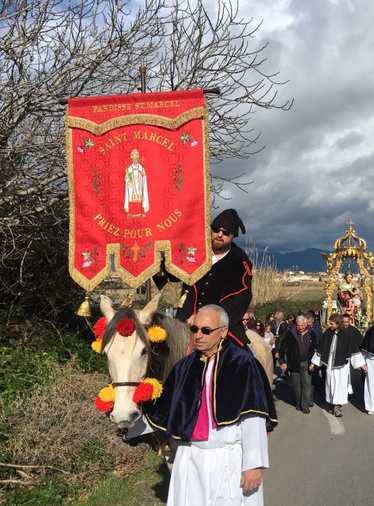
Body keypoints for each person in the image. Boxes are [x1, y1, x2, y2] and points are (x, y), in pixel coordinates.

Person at [145, 305, 277, 506]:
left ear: (223, 332)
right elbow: (164, 412)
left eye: (205, 330)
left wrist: (253, 465)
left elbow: (254, 418)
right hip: (190, 456)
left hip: (227, 459)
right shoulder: (184, 367)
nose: (198, 335)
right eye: (194, 329)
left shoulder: (243, 365)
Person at [154, 209, 252, 348]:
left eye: (226, 233)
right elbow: (173, 271)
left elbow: (240, 298)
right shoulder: (195, 249)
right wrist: (157, 264)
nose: (219, 235)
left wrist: (207, 318)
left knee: (241, 361)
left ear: (233, 237)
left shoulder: (240, 262)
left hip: (219, 326)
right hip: (185, 321)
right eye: (216, 230)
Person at [310, 313, 366, 417]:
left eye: (332, 324)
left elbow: (354, 350)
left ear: (337, 323)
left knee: (339, 385)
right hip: (330, 364)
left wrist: (362, 364)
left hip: (341, 366)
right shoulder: (327, 333)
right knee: (331, 384)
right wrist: (314, 363)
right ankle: (333, 404)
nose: (330, 326)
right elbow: (321, 348)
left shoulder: (347, 334)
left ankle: (338, 406)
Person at [277, 315, 316, 413]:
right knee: (296, 384)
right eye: (298, 326)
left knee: (307, 384)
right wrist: (282, 362)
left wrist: (314, 362)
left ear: (306, 324)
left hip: (307, 362)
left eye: (302, 325)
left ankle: (305, 404)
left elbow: (316, 349)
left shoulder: (312, 334)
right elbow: (283, 347)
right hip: (294, 362)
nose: (300, 328)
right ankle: (299, 401)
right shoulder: (291, 334)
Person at [124, 149, 149, 217]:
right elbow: (126, 177)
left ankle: (140, 213)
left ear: (137, 160)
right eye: (133, 159)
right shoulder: (129, 168)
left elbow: (144, 175)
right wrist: (129, 177)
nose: (135, 161)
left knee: (140, 198)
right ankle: (132, 213)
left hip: (139, 185)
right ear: (131, 160)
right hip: (132, 186)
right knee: (132, 198)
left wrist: (141, 173)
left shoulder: (140, 167)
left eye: (136, 159)